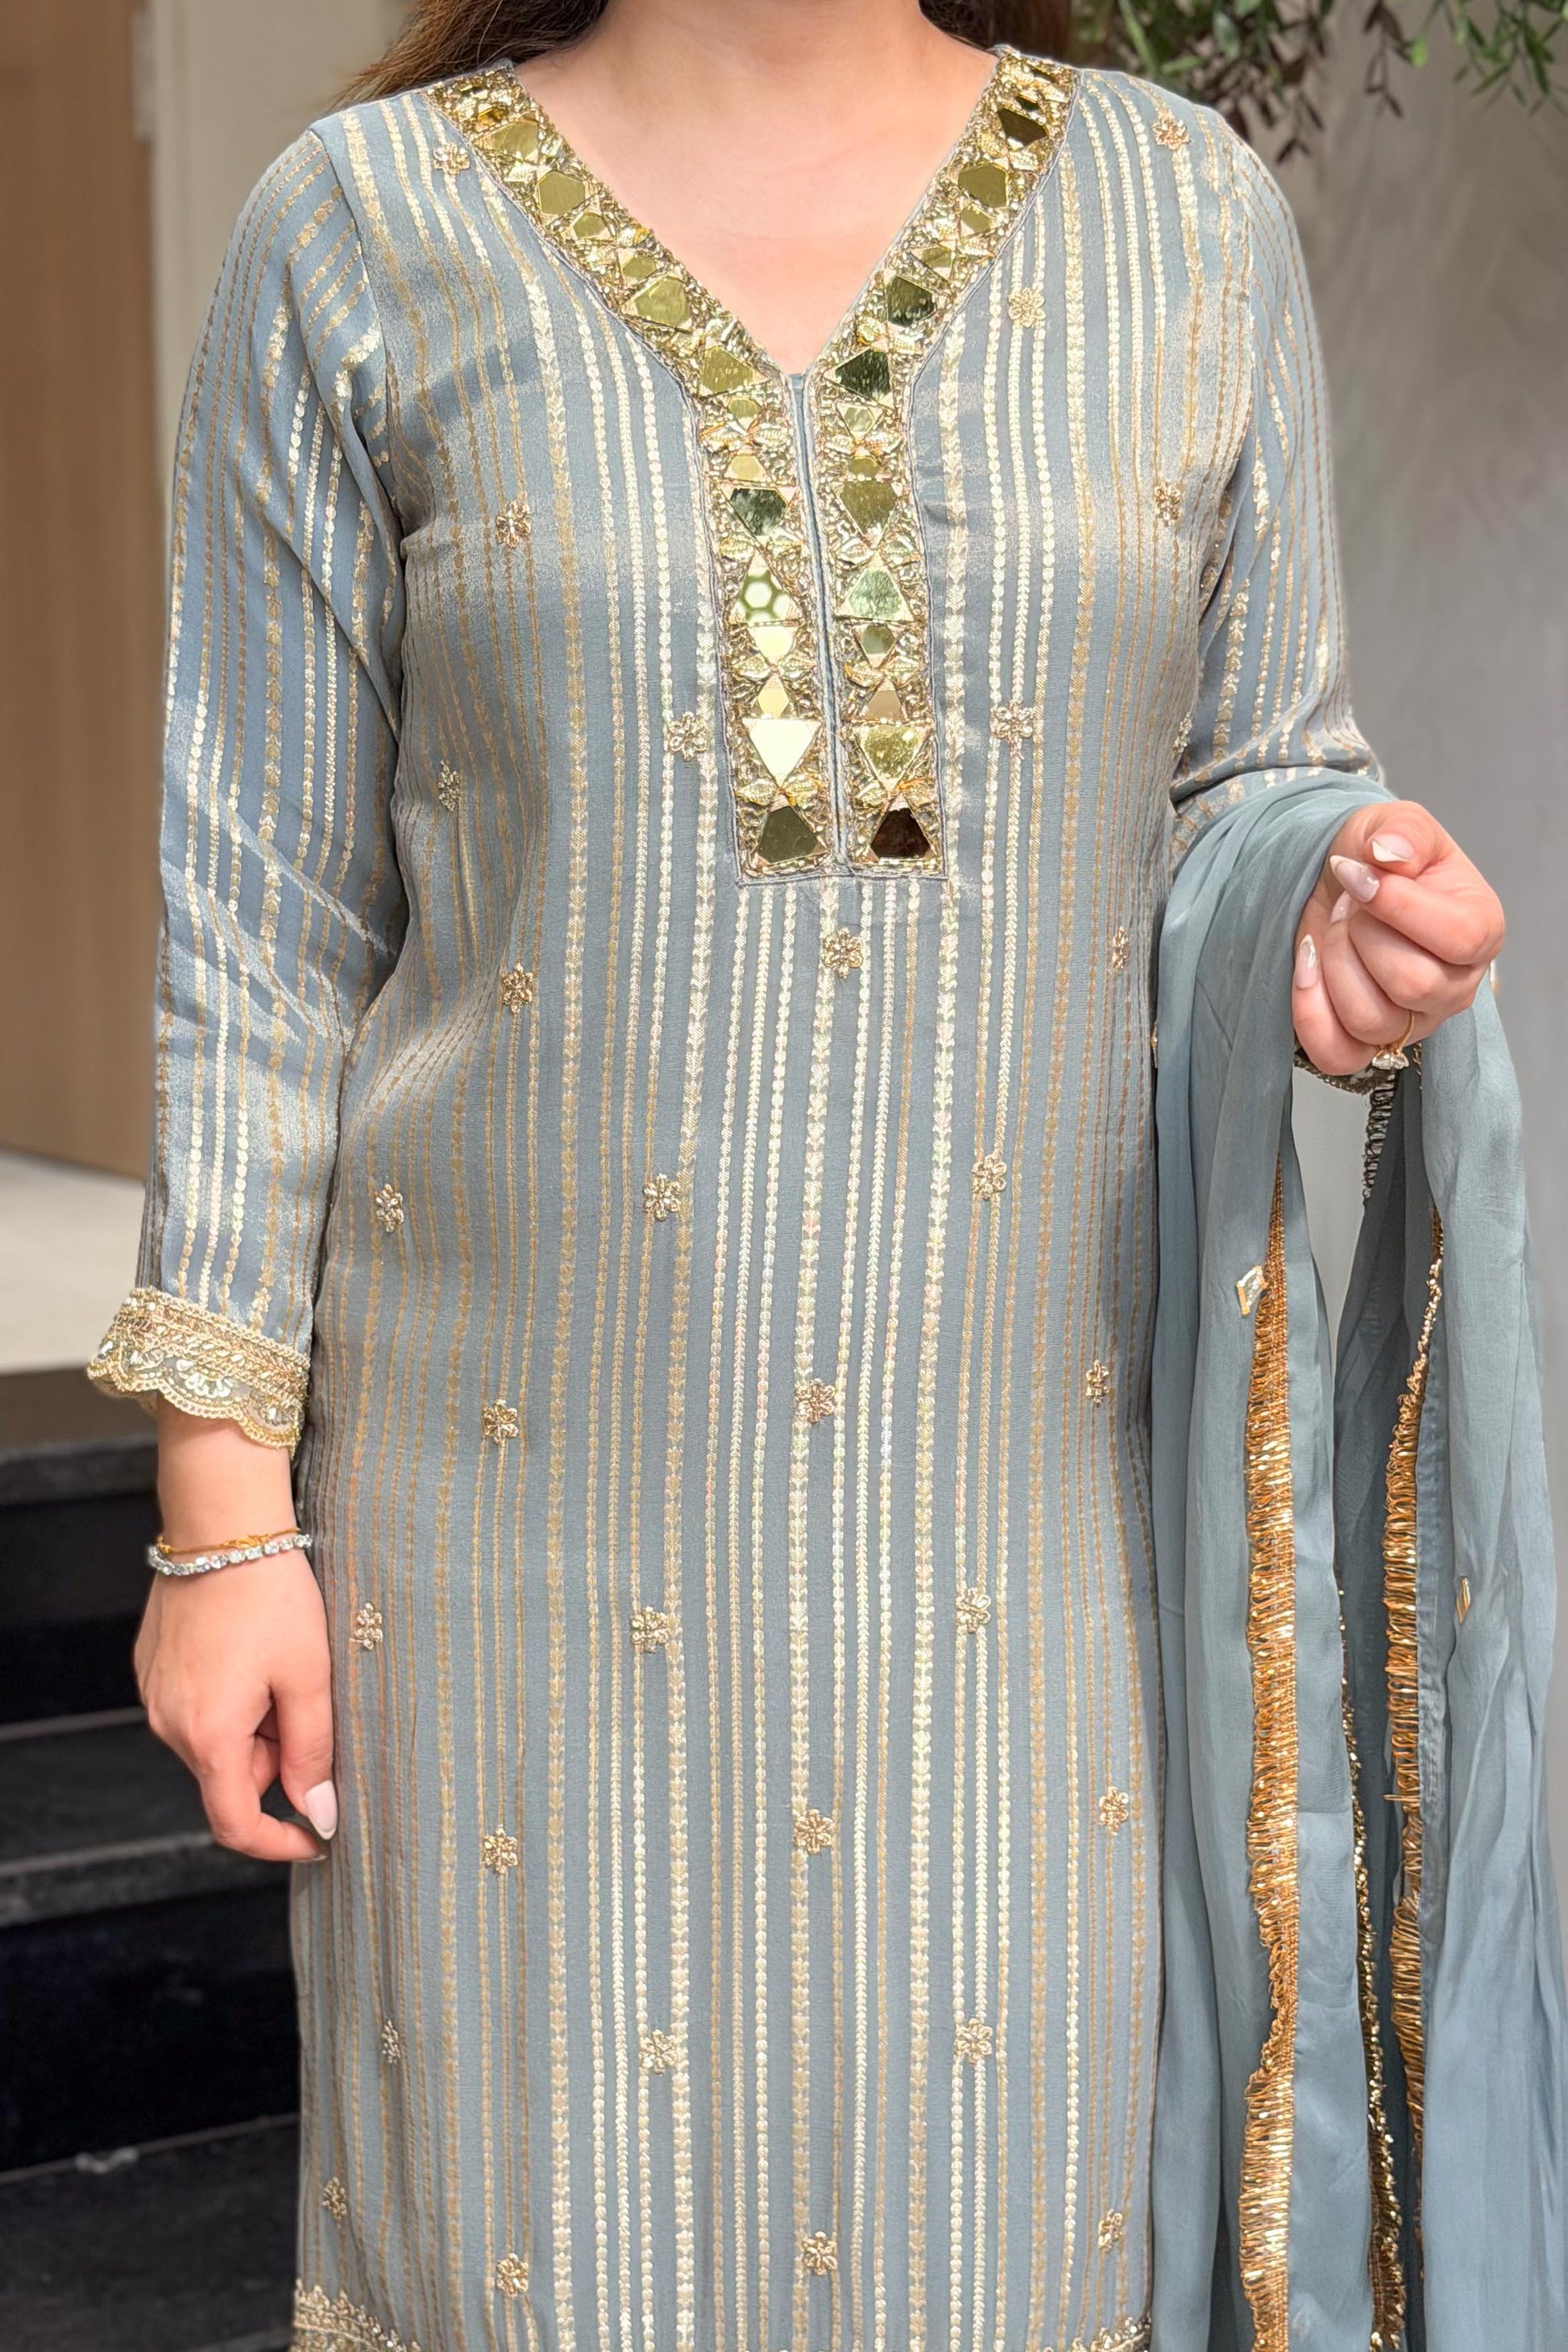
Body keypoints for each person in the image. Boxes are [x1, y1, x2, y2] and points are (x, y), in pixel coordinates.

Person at [91, 4, 1564, 2349]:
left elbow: (1252, 770)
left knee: (1011, 2242)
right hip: (512, 1551)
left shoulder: (1178, 215)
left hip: (1022, 1543)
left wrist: (1333, 915)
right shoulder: (362, 230)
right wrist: (218, 1516)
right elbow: (263, 928)